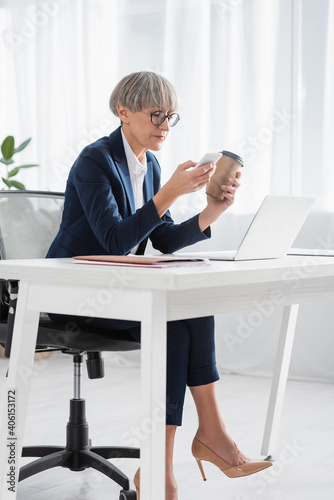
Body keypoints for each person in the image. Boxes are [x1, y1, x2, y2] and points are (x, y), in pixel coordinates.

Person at [46, 71, 272, 499]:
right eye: (156, 115)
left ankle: (179, 455)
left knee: (189, 308)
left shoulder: (149, 165)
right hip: (73, 294)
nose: (165, 125)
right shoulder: (96, 160)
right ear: (123, 112)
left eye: (171, 116)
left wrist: (212, 210)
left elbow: (162, 239)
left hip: (118, 291)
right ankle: (199, 445)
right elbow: (116, 238)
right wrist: (168, 192)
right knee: (175, 323)